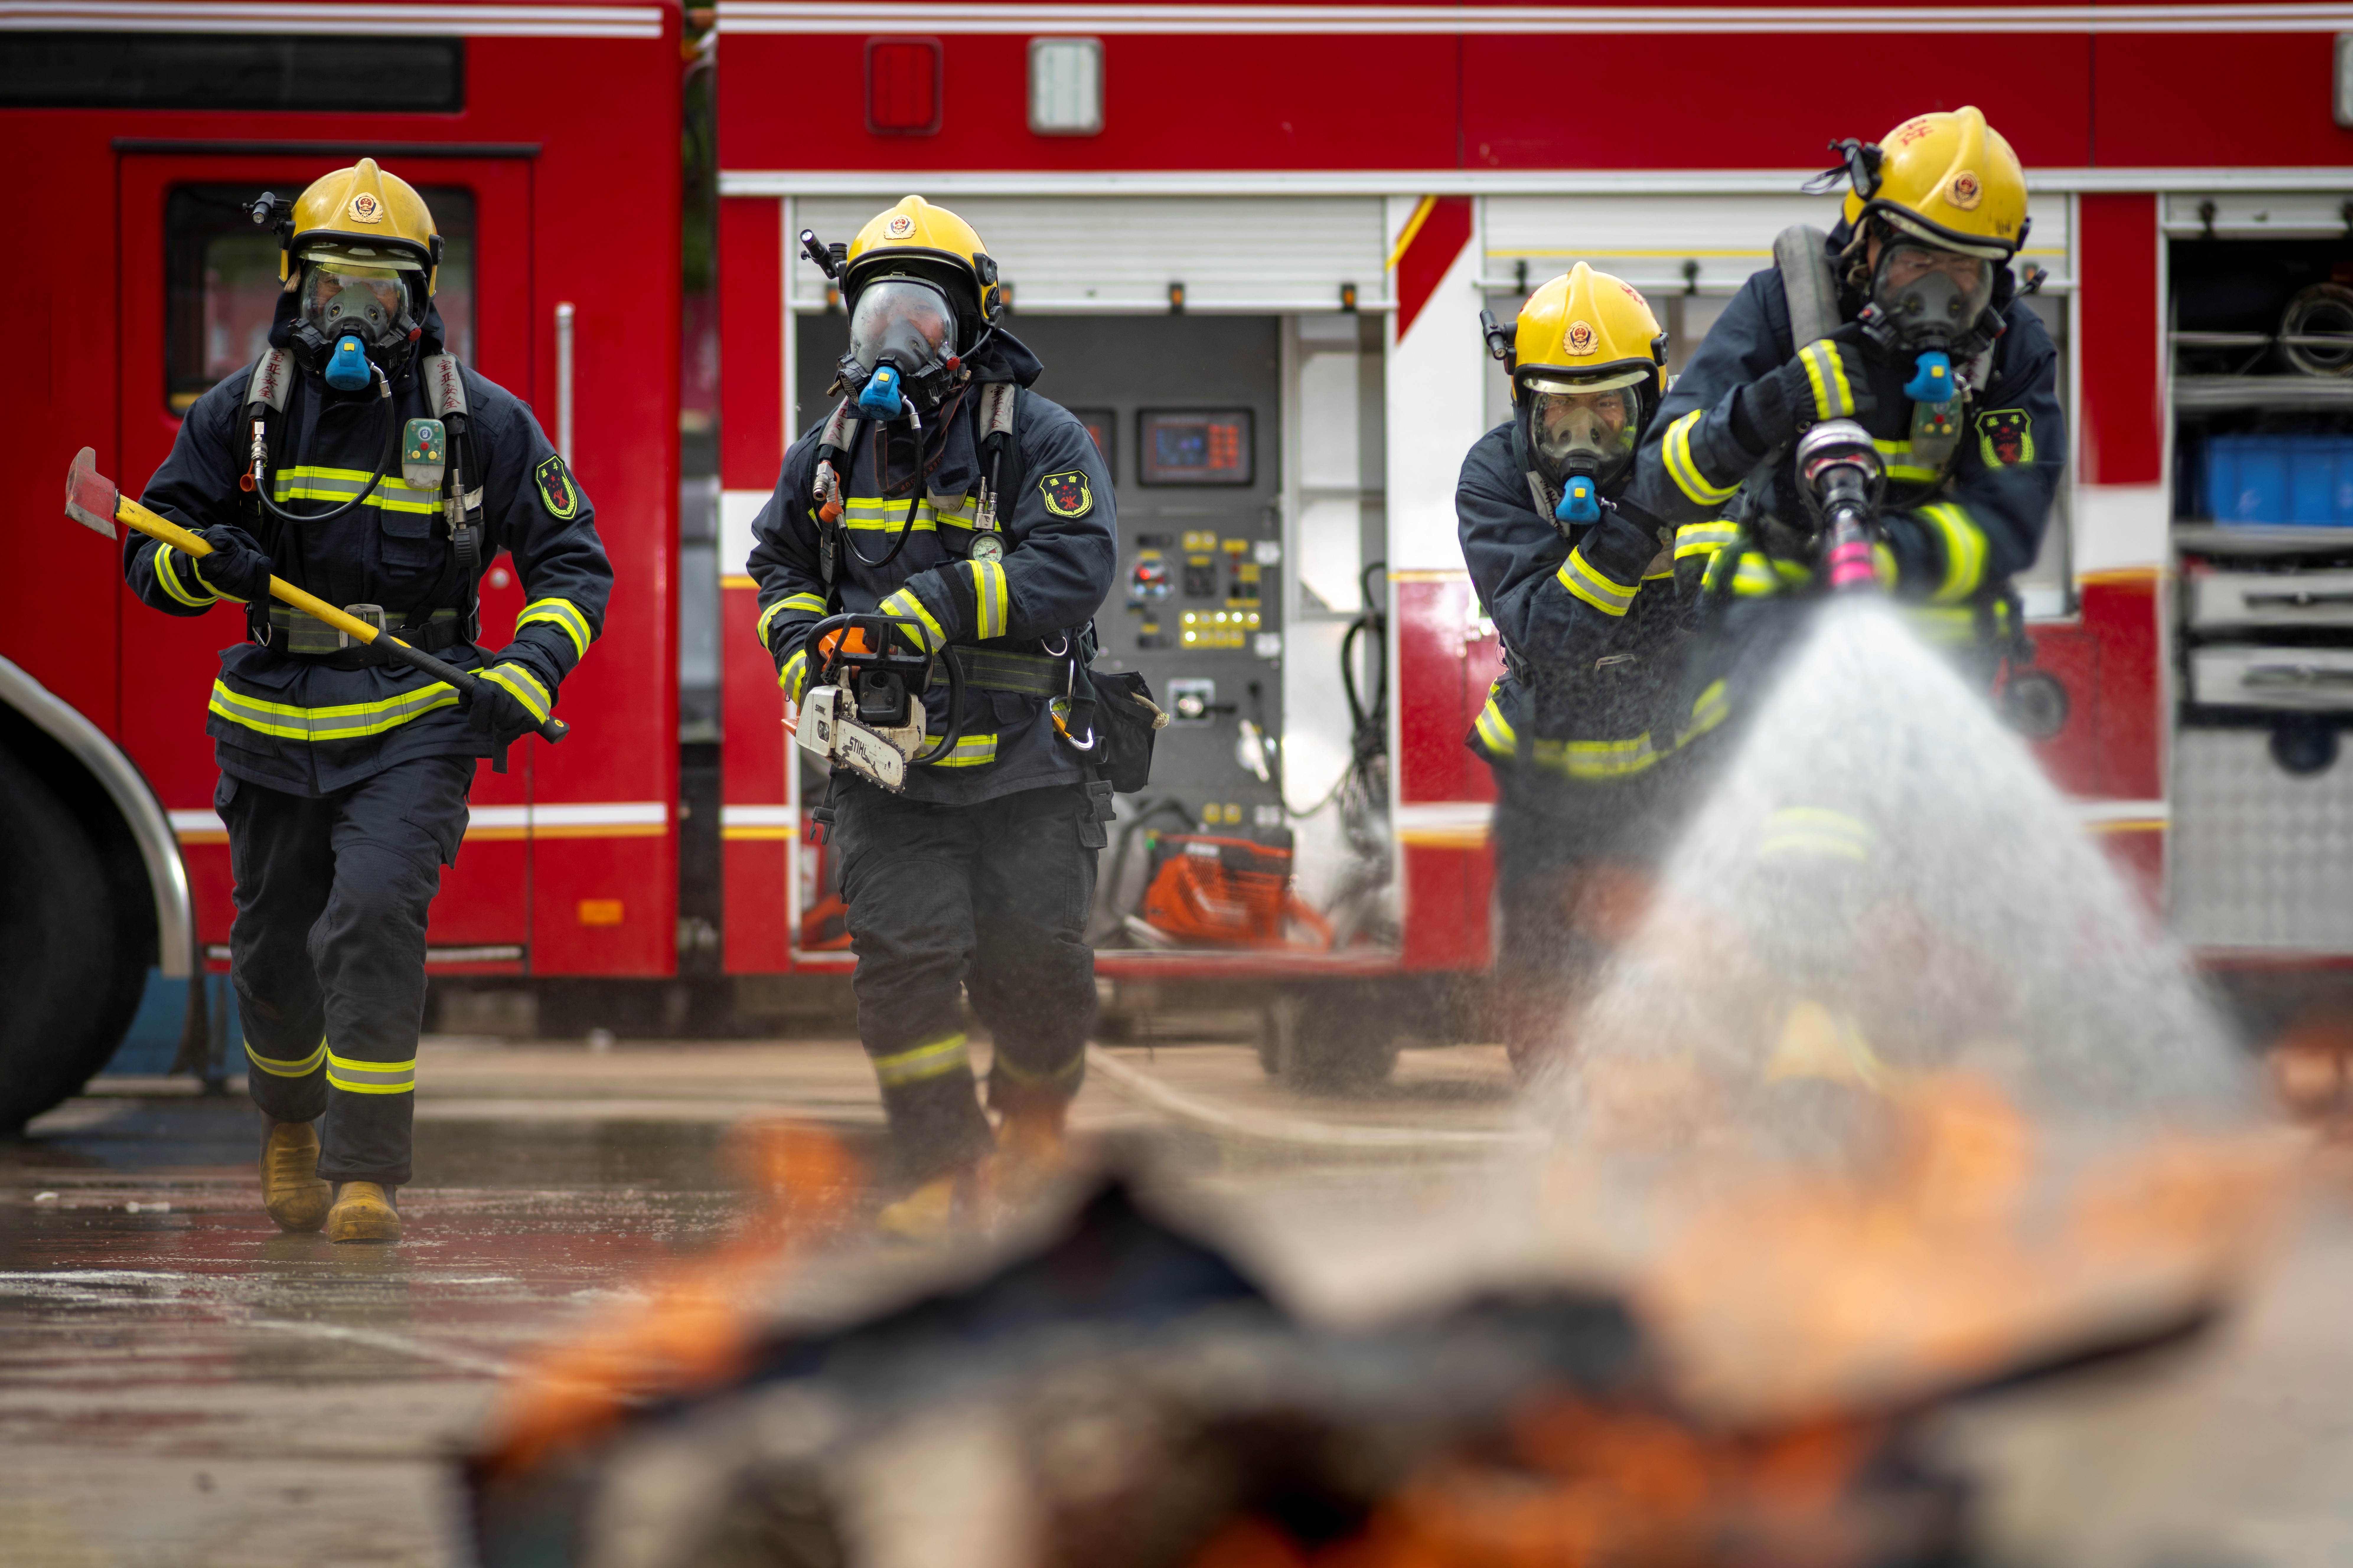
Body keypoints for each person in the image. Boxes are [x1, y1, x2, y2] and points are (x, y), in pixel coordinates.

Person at [126, 160, 611, 1243]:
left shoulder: (481, 421)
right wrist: (206, 566)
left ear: (421, 300)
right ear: (295, 289)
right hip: (270, 726)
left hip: (415, 717)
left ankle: (366, 1174)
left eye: (380, 292)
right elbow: (144, 560)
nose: (354, 314)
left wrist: (528, 669)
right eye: (334, 288)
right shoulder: (236, 418)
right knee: (273, 948)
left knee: (374, 919)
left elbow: (576, 565)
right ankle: (291, 1124)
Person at [745, 196, 1117, 1238]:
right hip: (885, 770)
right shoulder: (825, 452)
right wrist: (802, 644)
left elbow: (1076, 566)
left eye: (922, 315)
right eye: (875, 316)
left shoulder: (1039, 439)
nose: (895, 339)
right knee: (903, 972)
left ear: (973, 323)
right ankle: (937, 1161)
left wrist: (935, 607)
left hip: (1028, 771)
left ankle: (1036, 1119)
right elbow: (779, 565)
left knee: (1039, 972)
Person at [1623, 105, 2065, 692]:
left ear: (1999, 266)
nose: (1938, 288)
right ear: (1867, 238)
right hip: (1771, 653)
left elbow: (2008, 520)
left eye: (1965, 267)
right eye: (1917, 260)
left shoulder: (2011, 347)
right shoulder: (1784, 310)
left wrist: (1882, 553)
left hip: (1939, 664)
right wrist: (1774, 403)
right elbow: (1658, 479)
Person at [1457, 263, 1726, 1079]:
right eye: (1559, 408)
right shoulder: (1496, 477)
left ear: (1647, 397)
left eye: (1606, 405)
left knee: (1681, 1010)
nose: (1583, 432)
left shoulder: (1697, 462)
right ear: (1524, 403)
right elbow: (1549, 633)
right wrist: (1637, 525)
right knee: (1549, 1029)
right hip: (1553, 786)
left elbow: (1733, 613)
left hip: (1684, 775)